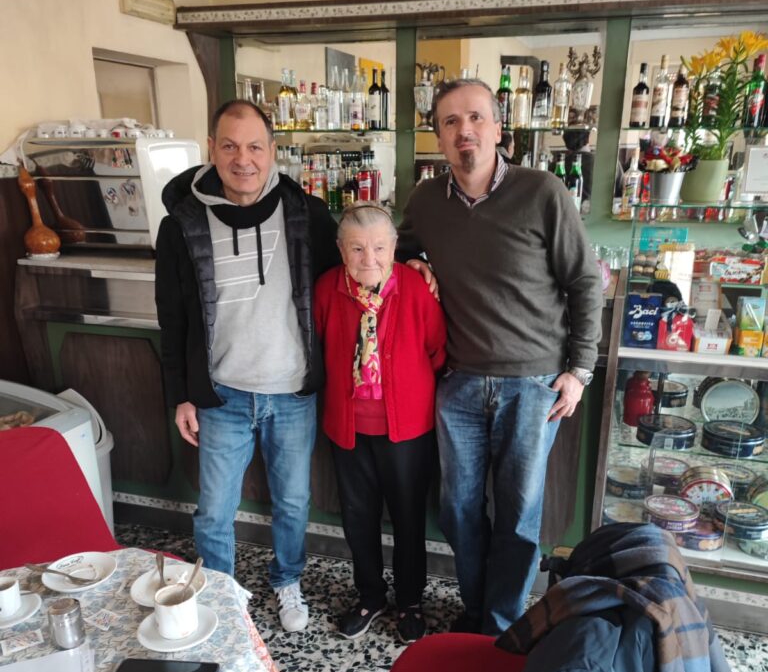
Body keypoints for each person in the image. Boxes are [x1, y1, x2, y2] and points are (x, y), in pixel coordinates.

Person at [398, 78, 602, 636]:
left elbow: (586, 282)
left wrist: (579, 371)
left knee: (517, 518)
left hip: (533, 384)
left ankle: (502, 623)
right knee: (459, 513)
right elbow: (400, 249)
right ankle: (474, 611)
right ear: (438, 137)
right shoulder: (425, 201)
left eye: (476, 118)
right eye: (450, 123)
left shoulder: (542, 191)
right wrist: (415, 264)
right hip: (459, 383)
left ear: (498, 128)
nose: (465, 131)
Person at [155, 100, 338, 632]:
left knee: (293, 503)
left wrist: (414, 258)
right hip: (222, 396)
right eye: (230, 146)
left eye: (255, 146)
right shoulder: (181, 226)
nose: (243, 159)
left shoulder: (308, 216)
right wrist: (180, 395)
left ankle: (287, 582)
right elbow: (172, 320)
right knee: (213, 511)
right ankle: (220, 596)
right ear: (211, 149)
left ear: (272, 151)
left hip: (293, 392)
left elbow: (354, 271)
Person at [314, 204, 446, 643]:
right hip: (348, 427)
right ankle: (369, 596)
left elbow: (436, 351)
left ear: (394, 248)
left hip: (407, 428)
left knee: (409, 518)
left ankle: (410, 601)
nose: (368, 258)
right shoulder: (326, 290)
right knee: (358, 518)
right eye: (356, 248)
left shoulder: (414, 288)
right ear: (341, 250)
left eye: (378, 247)